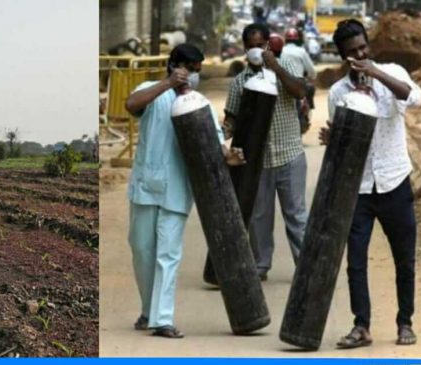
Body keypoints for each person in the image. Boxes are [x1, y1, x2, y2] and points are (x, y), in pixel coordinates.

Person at [125, 44, 245, 338]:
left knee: (168, 254)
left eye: (196, 72)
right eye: (188, 69)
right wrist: (167, 84)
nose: (191, 76)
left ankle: (162, 319)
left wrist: (229, 156)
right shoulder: (152, 91)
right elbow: (131, 105)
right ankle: (147, 310)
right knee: (142, 251)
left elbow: (215, 146)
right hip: (146, 185)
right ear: (173, 65)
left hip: (177, 189)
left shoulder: (200, 103)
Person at [319, 19, 421, 349]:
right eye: (353, 52)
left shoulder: (391, 73)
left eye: (364, 47)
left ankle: (405, 322)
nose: (360, 54)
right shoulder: (337, 93)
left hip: (394, 182)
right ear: (342, 57)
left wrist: (376, 74)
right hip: (360, 188)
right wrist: (333, 138)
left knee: (404, 259)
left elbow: (413, 96)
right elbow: (343, 142)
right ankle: (361, 325)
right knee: (356, 262)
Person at [222, 23, 307, 283]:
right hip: (258, 161)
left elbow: (300, 91)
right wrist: (220, 134)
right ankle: (261, 264)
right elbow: (232, 118)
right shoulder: (240, 82)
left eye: (260, 45)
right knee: (259, 217)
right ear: (244, 50)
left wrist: (276, 68)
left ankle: (304, 264)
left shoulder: (287, 68)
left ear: (269, 45)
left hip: (289, 154)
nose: (255, 51)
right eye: (250, 47)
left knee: (296, 214)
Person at [282, 28, 317, 134]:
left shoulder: (281, 50)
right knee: (310, 89)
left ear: (286, 40)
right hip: (298, 85)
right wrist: (311, 75)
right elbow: (312, 71)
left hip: (282, 83)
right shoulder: (301, 51)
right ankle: (306, 115)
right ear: (297, 39)